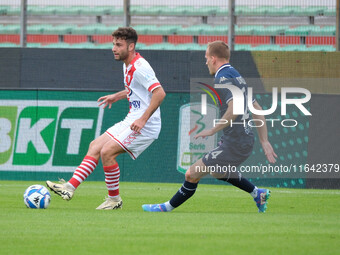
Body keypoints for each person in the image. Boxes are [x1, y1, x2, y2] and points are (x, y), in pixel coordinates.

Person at [142, 41, 277, 213]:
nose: (205, 62)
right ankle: (258, 193)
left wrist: (212, 130)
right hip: (241, 139)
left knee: (191, 174)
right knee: (217, 172)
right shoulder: (237, 76)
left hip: (236, 142)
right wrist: (264, 140)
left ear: (213, 59)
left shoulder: (222, 78)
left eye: (206, 58)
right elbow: (257, 108)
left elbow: (234, 108)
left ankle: (165, 208)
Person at [46, 27, 166, 210]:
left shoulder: (140, 67)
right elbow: (137, 90)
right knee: (95, 145)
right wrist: (117, 96)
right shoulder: (128, 64)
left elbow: (159, 93)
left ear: (131, 46)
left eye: (119, 45)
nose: (114, 48)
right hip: (132, 118)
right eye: (113, 44)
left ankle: (114, 200)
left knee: (107, 152)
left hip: (145, 124)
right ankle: (68, 188)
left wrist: (142, 120)